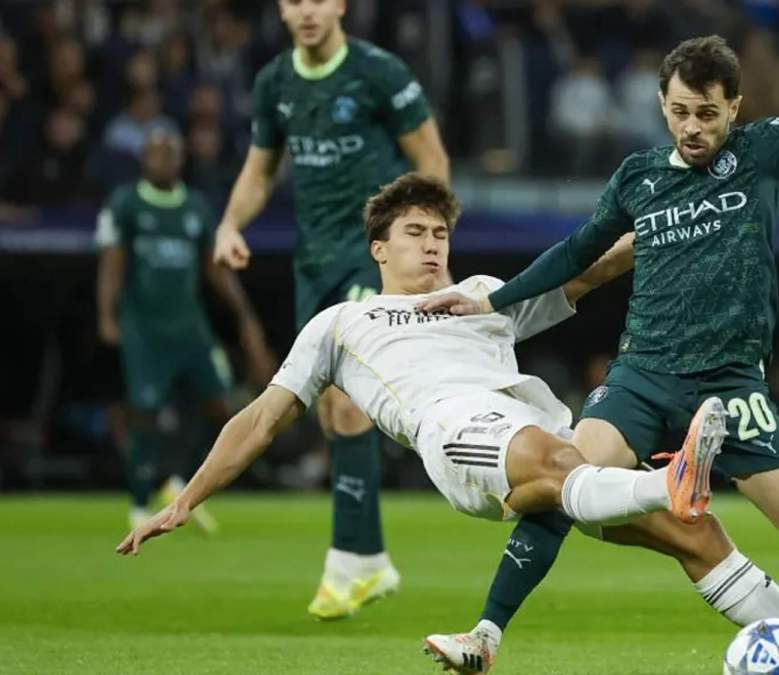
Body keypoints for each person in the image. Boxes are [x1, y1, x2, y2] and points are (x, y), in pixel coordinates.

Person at [418, 2, 779, 673]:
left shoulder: (768, 151)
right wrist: (494, 298)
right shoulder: (638, 177)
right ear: (662, 104)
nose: (692, 126)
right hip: (643, 377)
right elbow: (576, 251)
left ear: (734, 106)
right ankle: (484, 636)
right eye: (680, 110)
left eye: (707, 113)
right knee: (562, 483)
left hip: (732, 386)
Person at [116, 174, 725, 582]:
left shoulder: (482, 294)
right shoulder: (343, 322)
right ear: (379, 249)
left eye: (439, 234)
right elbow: (262, 418)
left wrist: (671, 225)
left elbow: (587, 274)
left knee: (692, 535)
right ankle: (671, 480)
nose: (432, 245)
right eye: (414, 233)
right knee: (574, 465)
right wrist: (187, 499)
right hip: (460, 440)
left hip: (535, 430)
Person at [211, 0, 450, 620]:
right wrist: (230, 224)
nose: (307, 10)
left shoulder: (379, 72)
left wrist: (428, 250)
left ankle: (348, 561)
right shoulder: (275, 84)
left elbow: (432, 161)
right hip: (312, 264)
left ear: (340, 5)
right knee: (328, 407)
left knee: (349, 399)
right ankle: (366, 561)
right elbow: (260, 171)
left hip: (372, 258)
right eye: (294, 0)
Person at [95, 129, 271, 531]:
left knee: (222, 405)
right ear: (143, 159)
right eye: (156, 152)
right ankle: (140, 500)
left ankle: (174, 475)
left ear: (181, 159)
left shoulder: (195, 207)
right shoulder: (126, 204)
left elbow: (214, 267)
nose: (164, 160)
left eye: (171, 152)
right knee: (144, 412)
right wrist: (106, 314)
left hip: (190, 327)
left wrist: (244, 316)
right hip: (143, 327)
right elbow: (113, 261)